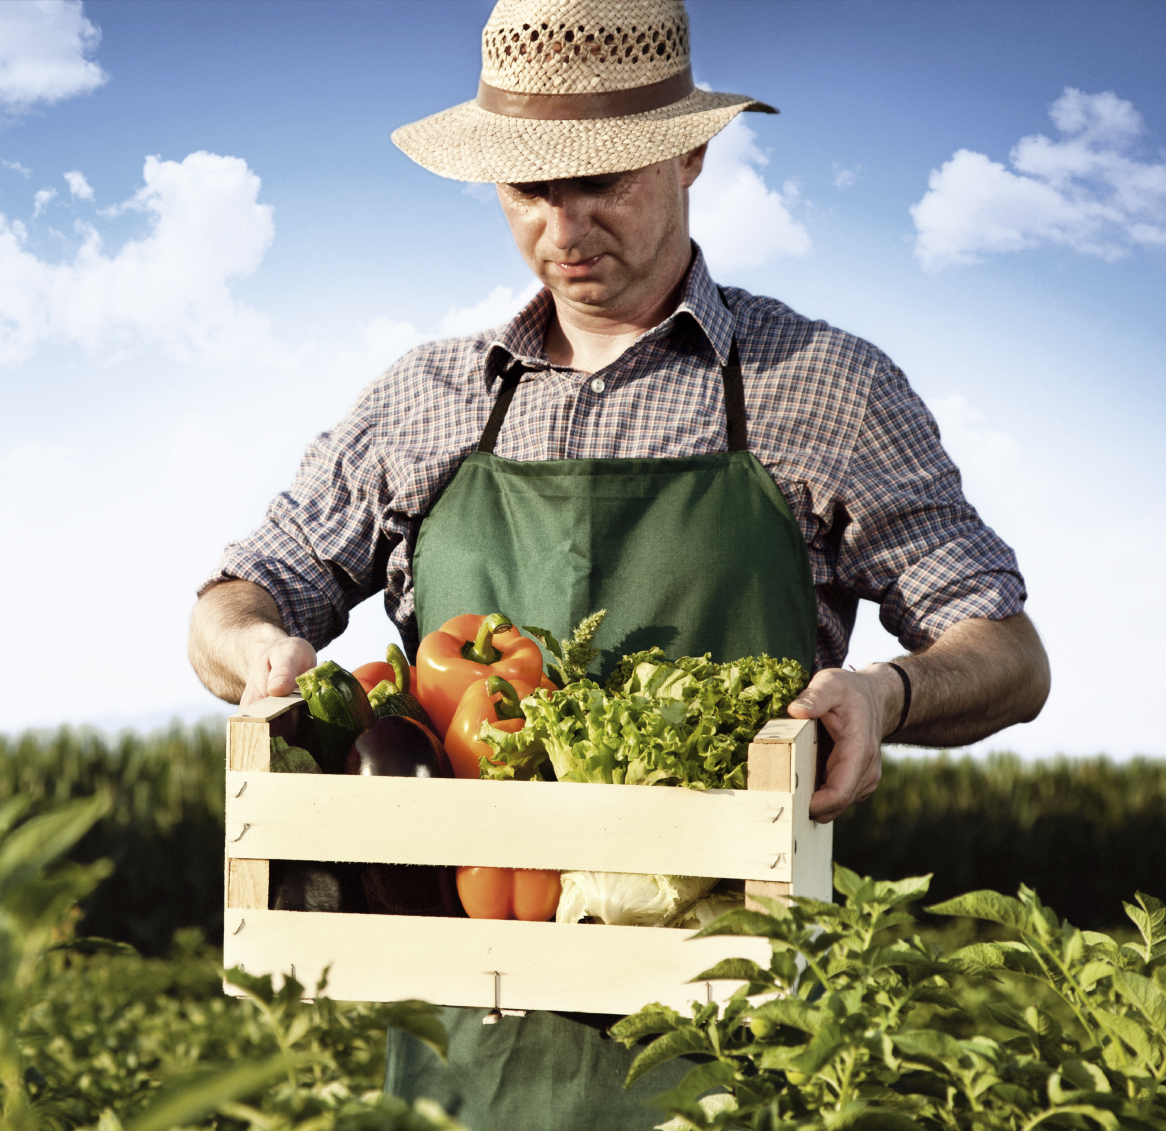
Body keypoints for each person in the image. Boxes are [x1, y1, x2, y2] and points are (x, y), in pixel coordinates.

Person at [188, 0, 1052, 1126]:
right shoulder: (425, 401)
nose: (564, 225)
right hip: (474, 1036)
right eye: (529, 190)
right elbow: (234, 599)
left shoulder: (823, 387)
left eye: (602, 181)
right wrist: (257, 649)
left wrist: (887, 694)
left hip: (740, 1028)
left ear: (691, 149)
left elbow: (1008, 652)